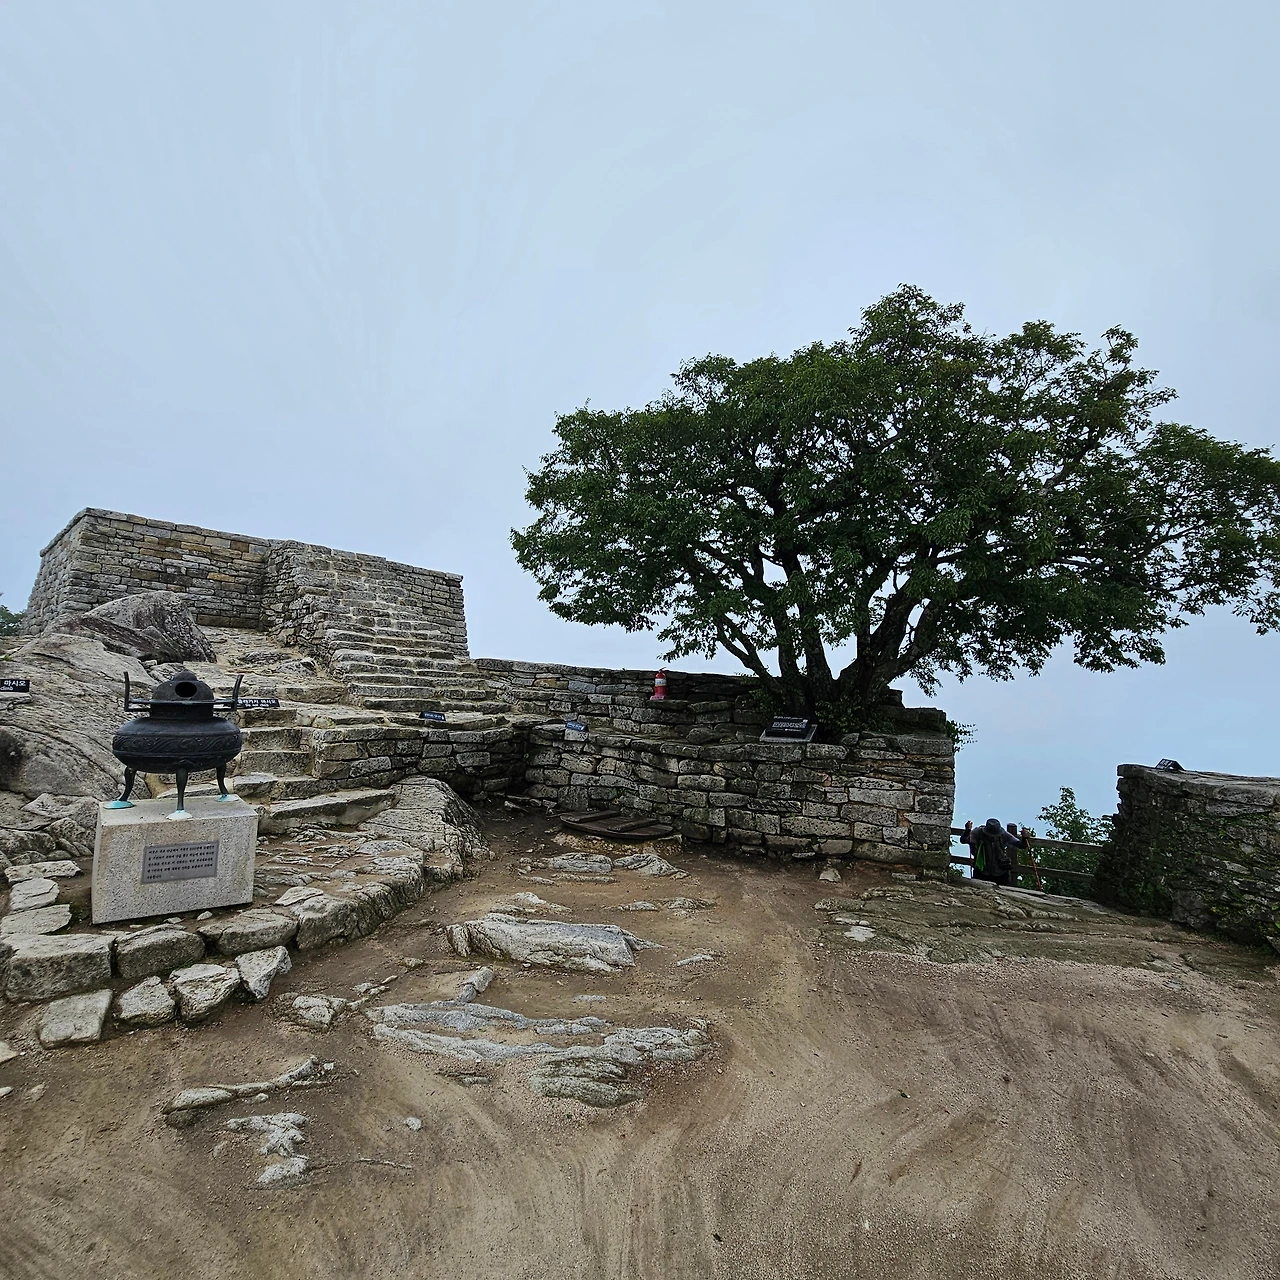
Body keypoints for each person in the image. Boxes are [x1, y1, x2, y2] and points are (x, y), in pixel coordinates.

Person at [961, 817, 1030, 887]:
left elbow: (1021, 845)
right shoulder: (978, 832)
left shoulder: (1003, 835)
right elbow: (964, 840)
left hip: (1000, 872)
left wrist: (1024, 838)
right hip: (982, 870)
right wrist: (967, 831)